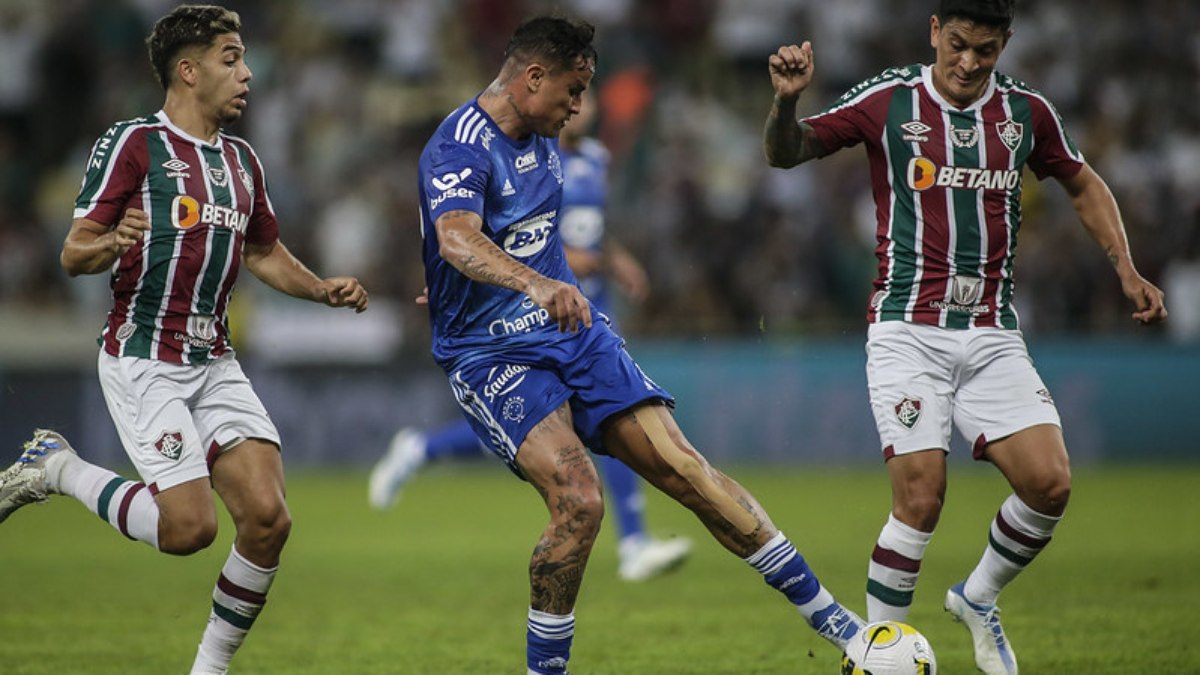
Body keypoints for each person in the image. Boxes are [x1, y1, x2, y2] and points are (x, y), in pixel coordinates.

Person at [419, 15, 863, 675]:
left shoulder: (547, 137)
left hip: (573, 331)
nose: (579, 107)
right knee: (580, 500)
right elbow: (455, 236)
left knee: (687, 470)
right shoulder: (459, 144)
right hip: (491, 354)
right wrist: (522, 283)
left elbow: (502, 237)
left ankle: (848, 631)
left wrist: (520, 278)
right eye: (573, 91)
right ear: (532, 76)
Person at [762, 1, 1167, 673]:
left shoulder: (1026, 114)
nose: (969, 62)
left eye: (985, 49)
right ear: (933, 33)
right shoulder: (889, 99)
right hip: (906, 330)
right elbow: (787, 152)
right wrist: (783, 105)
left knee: (1050, 484)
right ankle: (878, 653)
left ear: (1005, 42)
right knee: (920, 496)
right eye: (957, 45)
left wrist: (1124, 266)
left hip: (990, 330)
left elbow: (1082, 182)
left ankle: (978, 598)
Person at [0, 6, 368, 674]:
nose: (247, 73)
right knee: (189, 529)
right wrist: (114, 240)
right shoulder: (134, 145)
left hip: (213, 358)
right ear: (189, 70)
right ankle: (56, 466)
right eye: (231, 58)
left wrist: (319, 288)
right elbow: (73, 252)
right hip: (144, 358)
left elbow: (262, 252)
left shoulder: (242, 161)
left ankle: (209, 669)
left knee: (269, 517)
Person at [370, 91, 692, 583]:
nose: (581, 107)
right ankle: (422, 451)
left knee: (612, 416)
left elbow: (592, 230)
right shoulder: (527, 151)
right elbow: (509, 230)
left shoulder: (595, 159)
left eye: (589, 97)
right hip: (531, 310)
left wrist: (615, 258)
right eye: (573, 96)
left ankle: (632, 541)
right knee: (547, 425)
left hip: (587, 307)